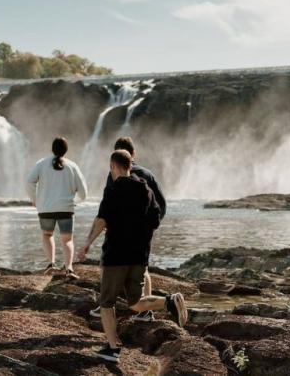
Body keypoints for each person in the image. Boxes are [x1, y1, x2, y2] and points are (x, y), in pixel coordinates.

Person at [77, 150, 187, 363]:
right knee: (135, 302)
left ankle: (112, 348)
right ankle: (169, 301)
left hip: (116, 255)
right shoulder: (146, 190)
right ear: (131, 164)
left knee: (107, 303)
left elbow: (102, 220)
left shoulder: (113, 190)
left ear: (113, 166)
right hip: (139, 255)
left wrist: (87, 244)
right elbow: (155, 220)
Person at [88, 137, 167, 322]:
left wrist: (91, 238)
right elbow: (160, 205)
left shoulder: (115, 176)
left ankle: (106, 305)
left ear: (114, 162)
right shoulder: (147, 175)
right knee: (143, 269)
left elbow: (106, 209)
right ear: (133, 154)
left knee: (107, 266)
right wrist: (149, 228)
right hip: (142, 236)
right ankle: (146, 311)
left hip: (119, 238)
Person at [26, 137, 87, 279]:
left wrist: (35, 200)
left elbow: (29, 182)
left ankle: (51, 264)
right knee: (67, 240)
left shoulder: (41, 164)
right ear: (66, 150)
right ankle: (69, 269)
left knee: (47, 235)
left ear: (52, 149)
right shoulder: (72, 166)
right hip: (66, 208)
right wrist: (74, 201)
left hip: (45, 208)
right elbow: (83, 192)